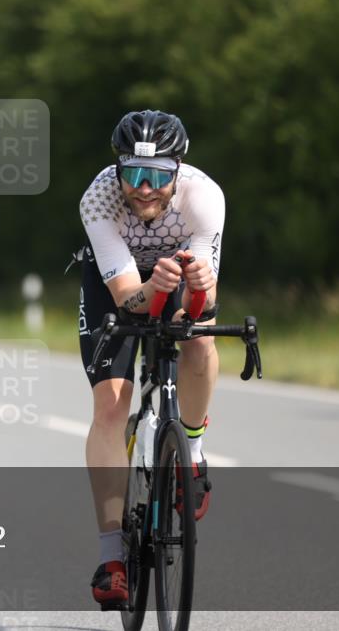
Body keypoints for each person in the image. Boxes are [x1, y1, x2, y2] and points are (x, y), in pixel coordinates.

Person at [78, 110, 224, 608]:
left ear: (177, 171)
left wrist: (197, 293)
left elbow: (199, 303)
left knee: (200, 339)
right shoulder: (99, 198)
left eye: (157, 176)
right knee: (112, 409)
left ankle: (194, 453)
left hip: (176, 275)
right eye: (132, 175)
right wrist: (150, 288)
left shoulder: (204, 198)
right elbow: (124, 298)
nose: (143, 189)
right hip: (115, 286)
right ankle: (112, 556)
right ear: (116, 170)